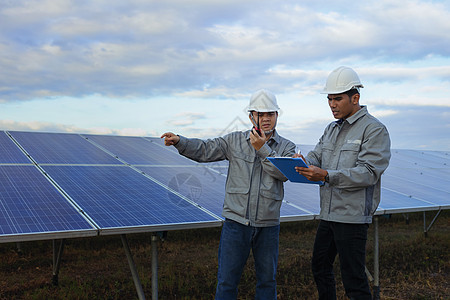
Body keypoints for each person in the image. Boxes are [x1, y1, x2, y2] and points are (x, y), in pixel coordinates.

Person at [161, 89, 296, 300]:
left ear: (277, 115)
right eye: (261, 114)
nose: (266, 119)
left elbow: (283, 173)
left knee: (267, 281)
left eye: (271, 114)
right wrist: (180, 141)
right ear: (251, 116)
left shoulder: (287, 147)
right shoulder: (234, 141)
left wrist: (262, 149)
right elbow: (205, 149)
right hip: (236, 224)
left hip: (268, 225)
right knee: (226, 281)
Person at [294, 66, 391, 299]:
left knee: (353, 279)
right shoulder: (331, 129)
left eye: (337, 99)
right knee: (319, 266)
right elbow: (317, 156)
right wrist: (303, 161)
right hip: (328, 214)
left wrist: (326, 175)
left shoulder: (374, 129)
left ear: (355, 98)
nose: (332, 104)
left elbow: (368, 173)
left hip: (352, 216)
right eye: (329, 99)